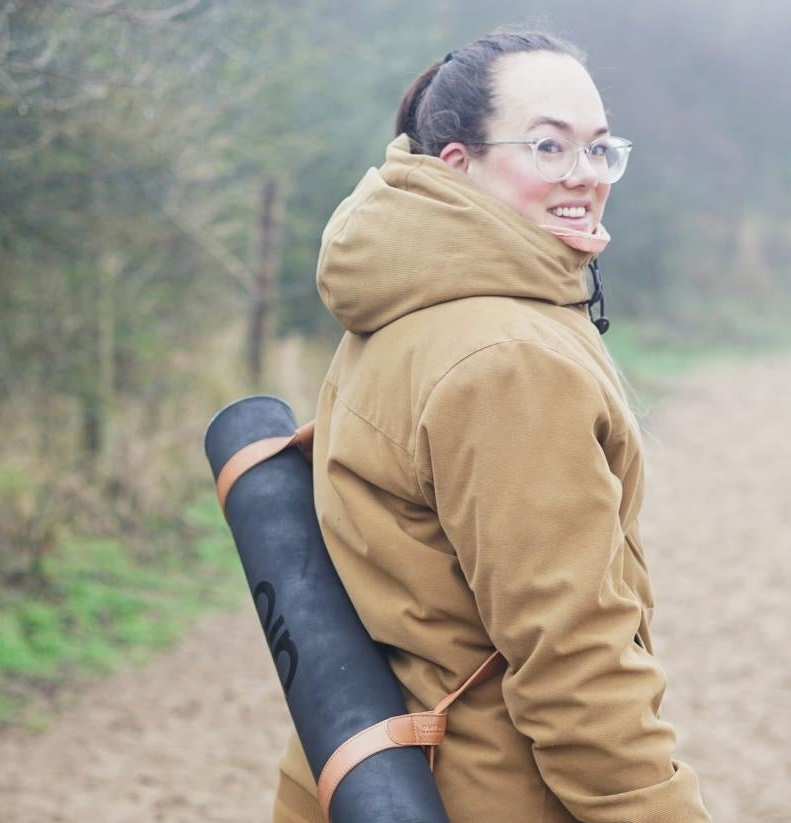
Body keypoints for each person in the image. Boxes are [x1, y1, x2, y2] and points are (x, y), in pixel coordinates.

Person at [271, 29, 710, 823]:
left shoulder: (403, 303)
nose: (584, 175)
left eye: (600, 149)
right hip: (485, 797)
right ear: (457, 166)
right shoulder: (507, 359)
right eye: (548, 146)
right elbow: (573, 658)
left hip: (365, 781)